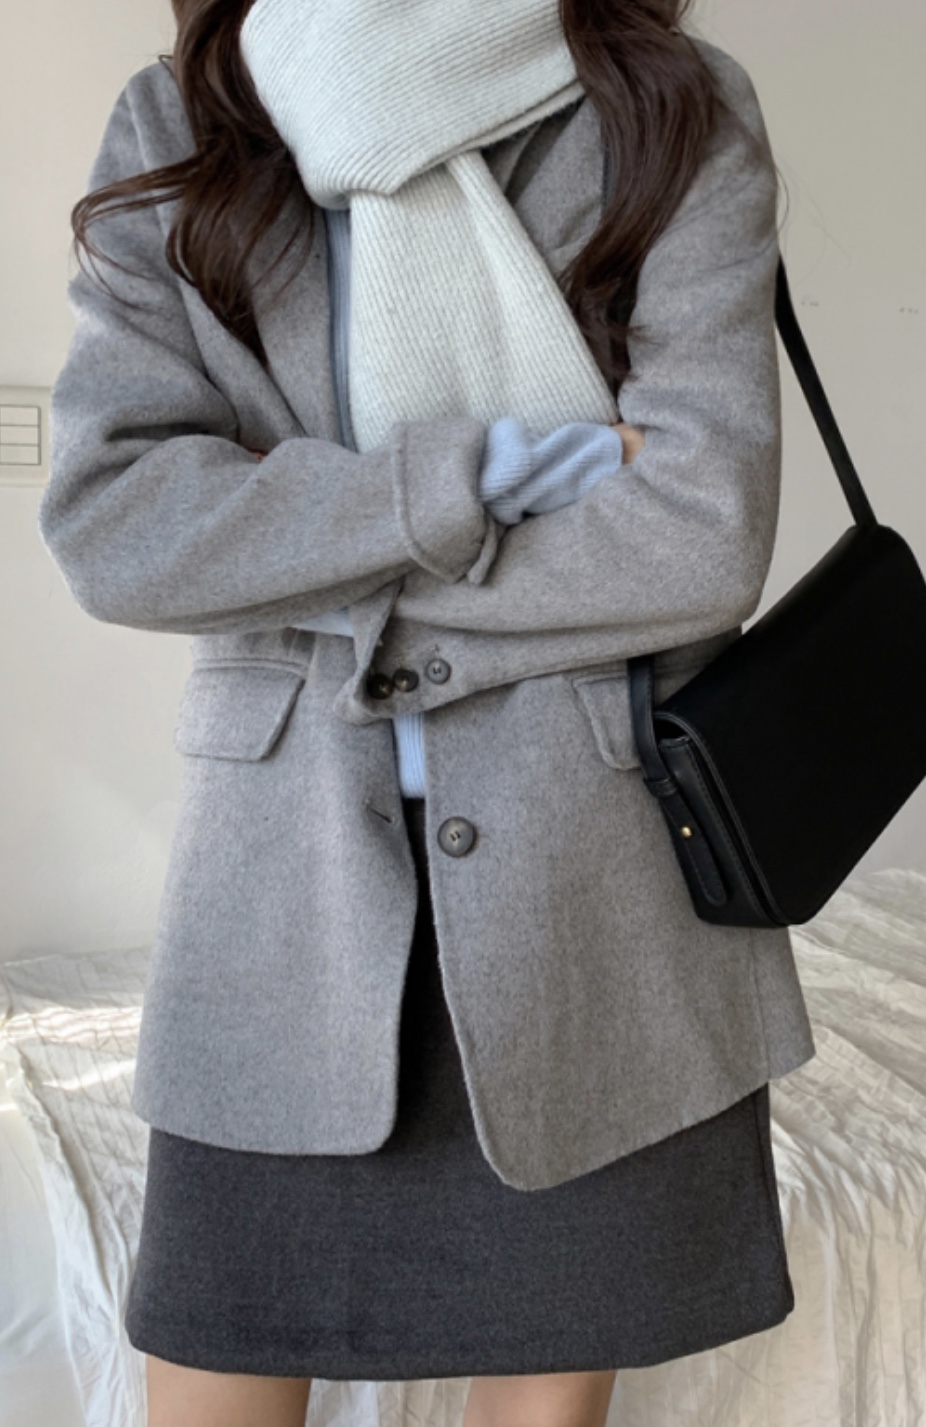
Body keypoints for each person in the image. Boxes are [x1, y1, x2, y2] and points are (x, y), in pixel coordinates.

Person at [38, 1, 817, 1424]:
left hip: (594, 892)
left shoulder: (667, 102)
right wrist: (481, 478)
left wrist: (306, 561)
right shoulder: (190, 116)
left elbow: (700, 535)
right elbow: (118, 524)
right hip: (283, 903)